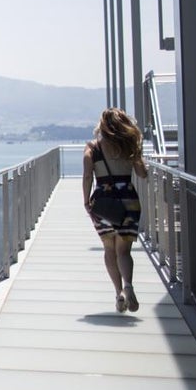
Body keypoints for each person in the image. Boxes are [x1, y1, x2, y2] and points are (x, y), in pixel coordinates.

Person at [81, 108, 149, 313]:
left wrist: (86, 201)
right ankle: (128, 285)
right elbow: (142, 173)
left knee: (109, 249)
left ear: (101, 125)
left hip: (103, 204)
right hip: (128, 201)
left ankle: (118, 294)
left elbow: (87, 177)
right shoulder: (129, 146)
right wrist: (137, 153)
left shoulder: (93, 148)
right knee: (124, 251)